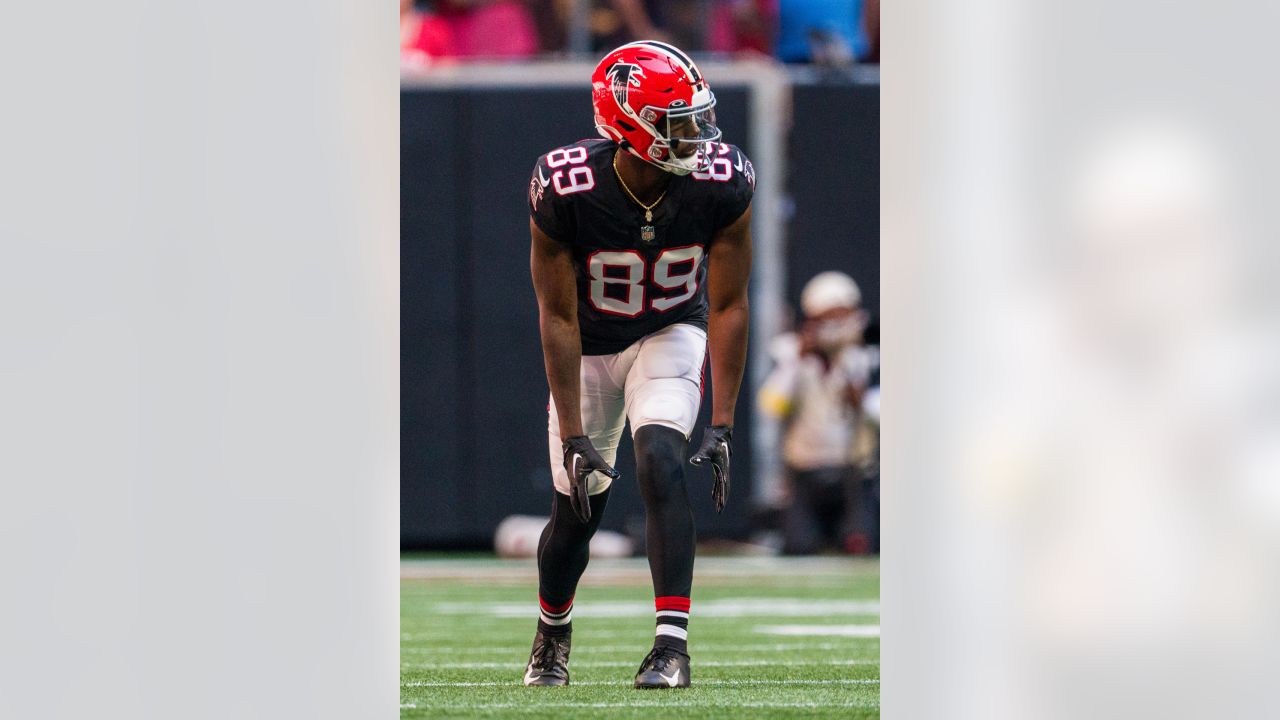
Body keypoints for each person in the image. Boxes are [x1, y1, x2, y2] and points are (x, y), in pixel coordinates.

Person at [523, 41, 755, 690]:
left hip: (669, 329)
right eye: (679, 121)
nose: (698, 135)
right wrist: (572, 432)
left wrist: (725, 422)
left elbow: (731, 302)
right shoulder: (568, 185)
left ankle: (670, 648)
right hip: (590, 348)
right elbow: (559, 317)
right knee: (578, 512)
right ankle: (553, 630)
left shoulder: (722, 180)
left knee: (658, 460)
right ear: (629, 121)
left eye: (698, 117)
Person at [758, 271, 877, 554]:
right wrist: (798, 361)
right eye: (827, 317)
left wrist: (861, 399)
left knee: (863, 545)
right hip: (806, 476)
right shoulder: (791, 356)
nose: (835, 326)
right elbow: (771, 405)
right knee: (799, 547)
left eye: (841, 315)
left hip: (856, 476)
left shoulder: (869, 357)